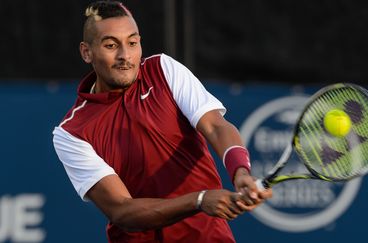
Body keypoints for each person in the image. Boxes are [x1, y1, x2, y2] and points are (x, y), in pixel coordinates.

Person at [52, 1, 272, 242]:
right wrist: (199, 200)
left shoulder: (164, 70)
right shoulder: (71, 132)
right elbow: (122, 211)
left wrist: (240, 171)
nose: (125, 56)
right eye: (111, 45)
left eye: (132, 43)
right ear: (87, 52)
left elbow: (215, 126)